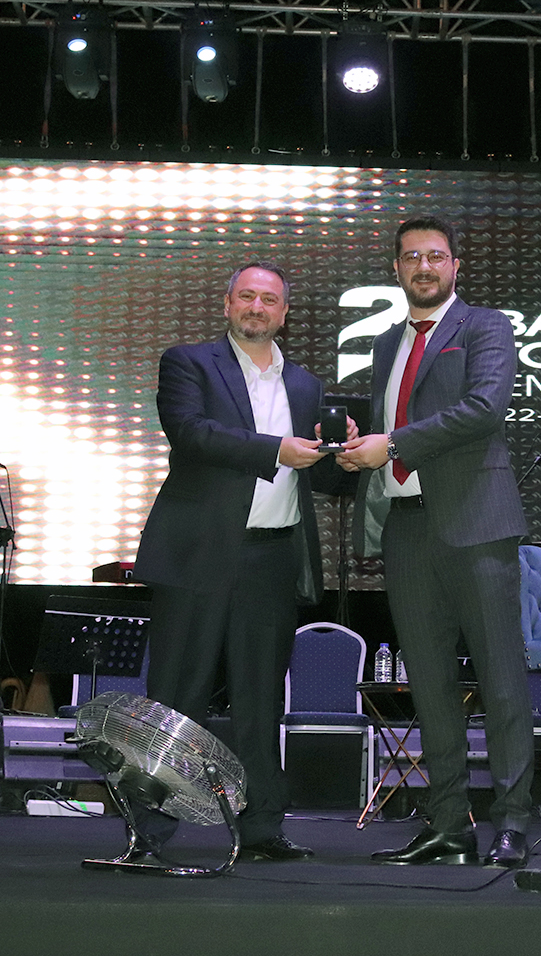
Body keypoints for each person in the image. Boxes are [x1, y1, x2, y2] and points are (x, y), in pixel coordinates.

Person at [132, 261, 352, 861]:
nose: (257, 307)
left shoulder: (305, 385)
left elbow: (320, 474)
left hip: (272, 557)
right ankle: (149, 831)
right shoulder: (188, 363)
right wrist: (276, 449)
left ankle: (261, 828)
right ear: (228, 304)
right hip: (199, 553)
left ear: (285, 313)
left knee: (261, 699)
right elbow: (191, 432)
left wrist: (344, 453)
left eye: (269, 299)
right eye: (247, 296)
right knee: (177, 694)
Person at [337, 215, 535, 868]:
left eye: (436, 256)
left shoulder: (485, 327)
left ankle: (512, 822)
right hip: (406, 528)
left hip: (477, 524)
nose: (423, 266)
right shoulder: (386, 343)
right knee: (428, 686)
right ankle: (449, 824)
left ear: (455, 266)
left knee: (501, 681)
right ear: (396, 269)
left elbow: (484, 408)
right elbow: (388, 423)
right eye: (411, 257)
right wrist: (358, 445)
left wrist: (391, 444)